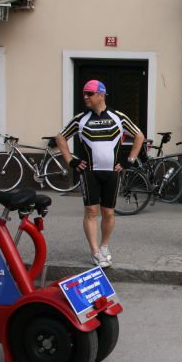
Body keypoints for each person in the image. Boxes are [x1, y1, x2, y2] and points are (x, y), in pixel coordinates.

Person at [56, 79, 145, 268]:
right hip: (89, 172)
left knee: (108, 212)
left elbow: (139, 136)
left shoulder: (118, 117)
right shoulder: (80, 119)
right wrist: (70, 160)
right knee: (91, 211)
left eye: (89, 93)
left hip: (112, 173)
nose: (85, 97)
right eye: (84, 94)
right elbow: (61, 137)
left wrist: (128, 161)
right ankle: (95, 252)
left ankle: (104, 246)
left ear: (101, 95)